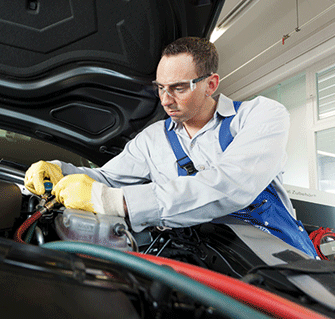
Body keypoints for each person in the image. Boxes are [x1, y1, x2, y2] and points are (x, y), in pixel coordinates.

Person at [25, 36, 318, 258]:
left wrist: (117, 203)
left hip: (279, 261)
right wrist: (59, 172)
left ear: (211, 84)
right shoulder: (152, 139)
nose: (165, 100)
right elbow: (107, 179)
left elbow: (230, 186)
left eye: (178, 88)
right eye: (160, 87)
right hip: (201, 259)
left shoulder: (261, 116)